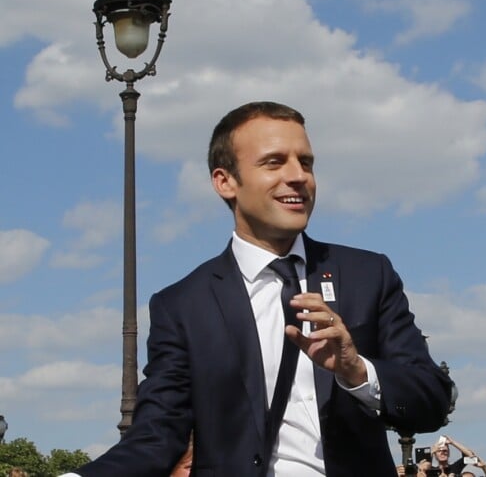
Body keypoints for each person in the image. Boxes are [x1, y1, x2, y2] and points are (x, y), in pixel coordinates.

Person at [62, 101, 452, 477]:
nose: (298, 175)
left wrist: (356, 371)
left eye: (306, 162)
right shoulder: (183, 306)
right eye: (274, 162)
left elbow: (432, 400)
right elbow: (155, 436)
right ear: (225, 181)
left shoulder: (368, 275)